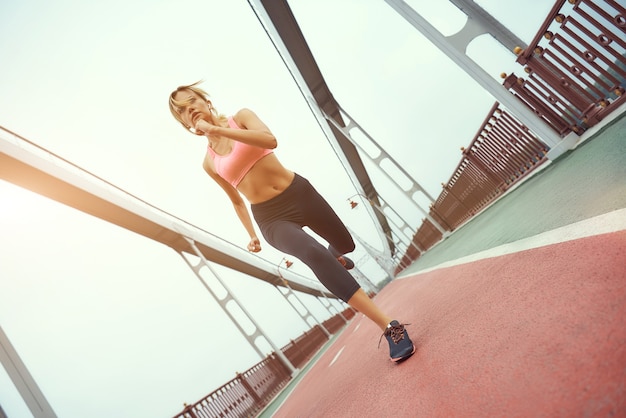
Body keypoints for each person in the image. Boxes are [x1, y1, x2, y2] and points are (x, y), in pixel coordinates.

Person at [169, 82, 415, 362]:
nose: (190, 110)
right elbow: (236, 200)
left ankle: (335, 254)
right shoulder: (209, 163)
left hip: (299, 194)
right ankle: (389, 326)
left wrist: (217, 129)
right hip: (270, 218)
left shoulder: (241, 117)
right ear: (184, 122)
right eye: (182, 112)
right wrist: (252, 234)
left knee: (344, 245)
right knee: (313, 253)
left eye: (192, 102)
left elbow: (270, 140)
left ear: (204, 100)